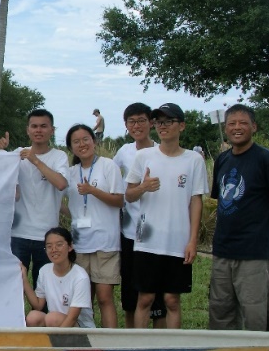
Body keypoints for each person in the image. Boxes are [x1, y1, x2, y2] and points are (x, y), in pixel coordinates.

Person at [209, 104, 269, 331]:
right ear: (225, 128)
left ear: (254, 127)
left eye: (243, 123)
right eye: (232, 123)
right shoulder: (223, 160)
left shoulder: (267, 160)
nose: (237, 127)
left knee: (256, 314)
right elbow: (223, 201)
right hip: (223, 249)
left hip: (254, 251)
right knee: (220, 312)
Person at [124, 103, 209, 329]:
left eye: (168, 121)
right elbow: (129, 195)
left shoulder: (193, 160)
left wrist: (192, 241)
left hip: (177, 241)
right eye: (159, 122)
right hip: (147, 240)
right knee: (145, 298)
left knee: (172, 300)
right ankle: (140, 346)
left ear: (181, 126)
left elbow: (196, 201)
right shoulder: (144, 156)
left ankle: (172, 346)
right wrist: (143, 187)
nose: (162, 126)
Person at [64, 124, 124, 328]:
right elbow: (68, 206)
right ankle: (84, 340)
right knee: (82, 300)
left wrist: (92, 191)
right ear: (71, 148)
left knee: (104, 297)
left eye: (85, 139)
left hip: (105, 243)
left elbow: (119, 201)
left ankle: (110, 342)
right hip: (80, 244)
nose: (82, 144)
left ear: (94, 141)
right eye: (76, 141)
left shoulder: (108, 166)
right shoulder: (71, 172)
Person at [113, 103, 167, 328]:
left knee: (158, 294)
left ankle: (159, 340)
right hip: (129, 232)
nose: (137, 126)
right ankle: (130, 338)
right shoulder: (123, 152)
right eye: (132, 122)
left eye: (142, 121)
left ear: (151, 123)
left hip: (157, 233)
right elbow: (112, 180)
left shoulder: (162, 151)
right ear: (126, 125)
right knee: (130, 292)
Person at [12, 109, 70, 290]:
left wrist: (35, 160)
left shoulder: (59, 156)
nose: (38, 130)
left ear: (52, 130)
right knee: (14, 286)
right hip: (18, 234)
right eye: (34, 126)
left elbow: (61, 183)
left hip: (47, 235)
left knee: (45, 289)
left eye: (43, 126)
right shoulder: (17, 154)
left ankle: (42, 311)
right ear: (27, 130)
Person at [22, 227, 94, 328]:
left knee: (52, 318)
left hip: (81, 328)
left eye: (59, 245)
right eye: (49, 246)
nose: (54, 250)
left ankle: (53, 338)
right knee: (33, 317)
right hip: (55, 323)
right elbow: (38, 305)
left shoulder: (80, 276)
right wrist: (24, 278)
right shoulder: (44, 271)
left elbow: (72, 318)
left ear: (70, 247)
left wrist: (54, 336)